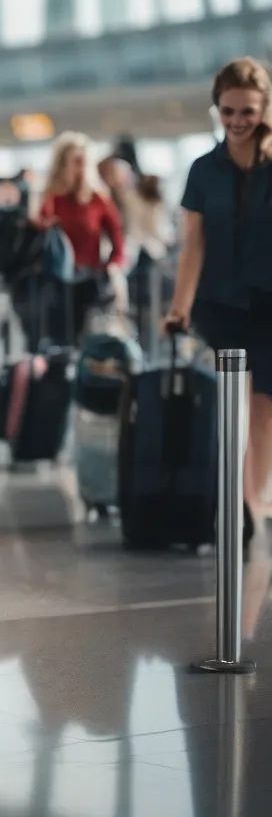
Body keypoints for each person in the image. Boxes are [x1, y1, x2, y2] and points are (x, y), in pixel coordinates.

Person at [164, 57, 272, 554]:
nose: (236, 120)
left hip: (269, 301)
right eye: (228, 110)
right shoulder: (203, 170)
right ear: (217, 107)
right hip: (221, 302)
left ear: (265, 107)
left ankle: (256, 502)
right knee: (235, 401)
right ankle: (243, 504)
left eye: (247, 110)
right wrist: (179, 307)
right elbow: (194, 244)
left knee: (264, 406)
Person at [37, 132, 127, 343]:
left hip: (91, 284)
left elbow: (118, 244)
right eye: (76, 162)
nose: (81, 168)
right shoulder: (51, 198)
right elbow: (39, 233)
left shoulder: (98, 199)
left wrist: (111, 270)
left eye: (84, 162)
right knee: (59, 342)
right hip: (56, 286)